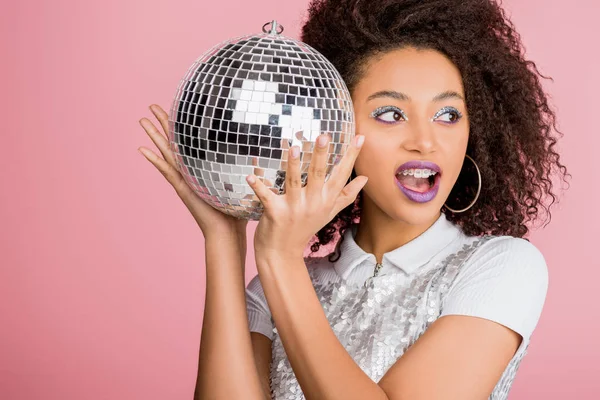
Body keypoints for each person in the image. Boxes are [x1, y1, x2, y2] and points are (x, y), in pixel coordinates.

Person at [138, 0, 568, 398]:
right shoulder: (272, 288)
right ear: (337, 131)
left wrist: (280, 259)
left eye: (448, 114)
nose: (425, 141)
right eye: (390, 114)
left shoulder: (502, 267)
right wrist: (223, 237)